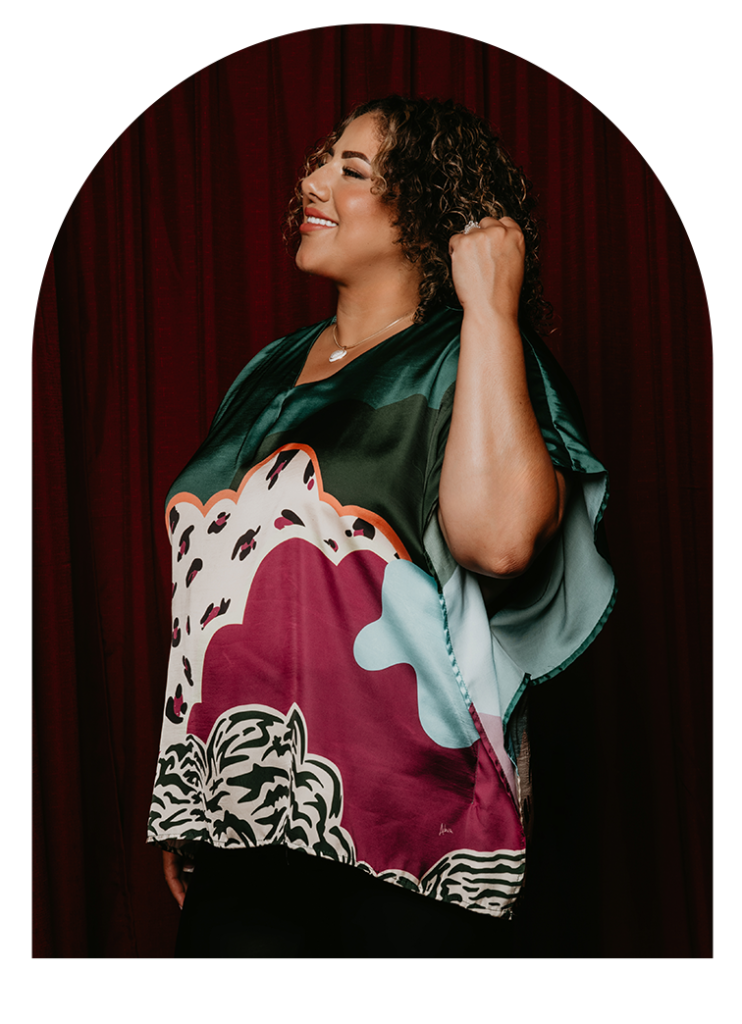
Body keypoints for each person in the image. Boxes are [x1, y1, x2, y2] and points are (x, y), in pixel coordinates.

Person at [148, 96, 615, 960]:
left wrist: (490, 310)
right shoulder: (264, 372)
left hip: (412, 840)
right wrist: (192, 786)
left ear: (429, 212)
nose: (311, 181)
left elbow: (500, 542)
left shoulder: (474, 356)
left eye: (352, 169)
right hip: (243, 822)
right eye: (320, 160)